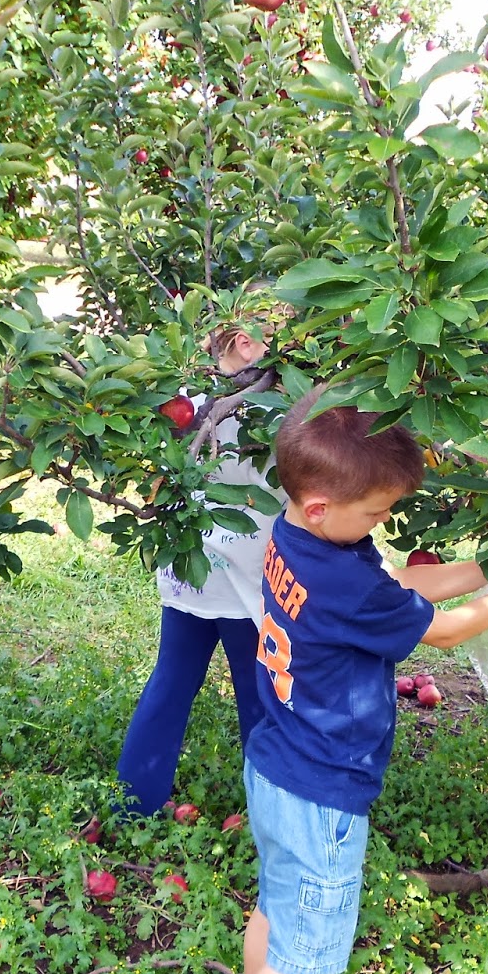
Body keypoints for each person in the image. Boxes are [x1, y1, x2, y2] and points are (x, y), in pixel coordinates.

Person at [174, 388, 488, 974]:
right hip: (321, 787)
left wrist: (483, 567)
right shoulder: (344, 574)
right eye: (378, 515)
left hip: (278, 761)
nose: (381, 526)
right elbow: (444, 635)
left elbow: (398, 593)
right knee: (297, 946)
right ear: (323, 505)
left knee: (275, 906)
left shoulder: (296, 538)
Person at [114, 296, 289, 817]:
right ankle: (271, 816)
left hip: (189, 568)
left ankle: (132, 804)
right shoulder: (275, 405)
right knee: (258, 697)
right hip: (248, 576)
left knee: (171, 682)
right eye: (284, 338)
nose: (293, 353)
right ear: (245, 342)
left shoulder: (184, 400)